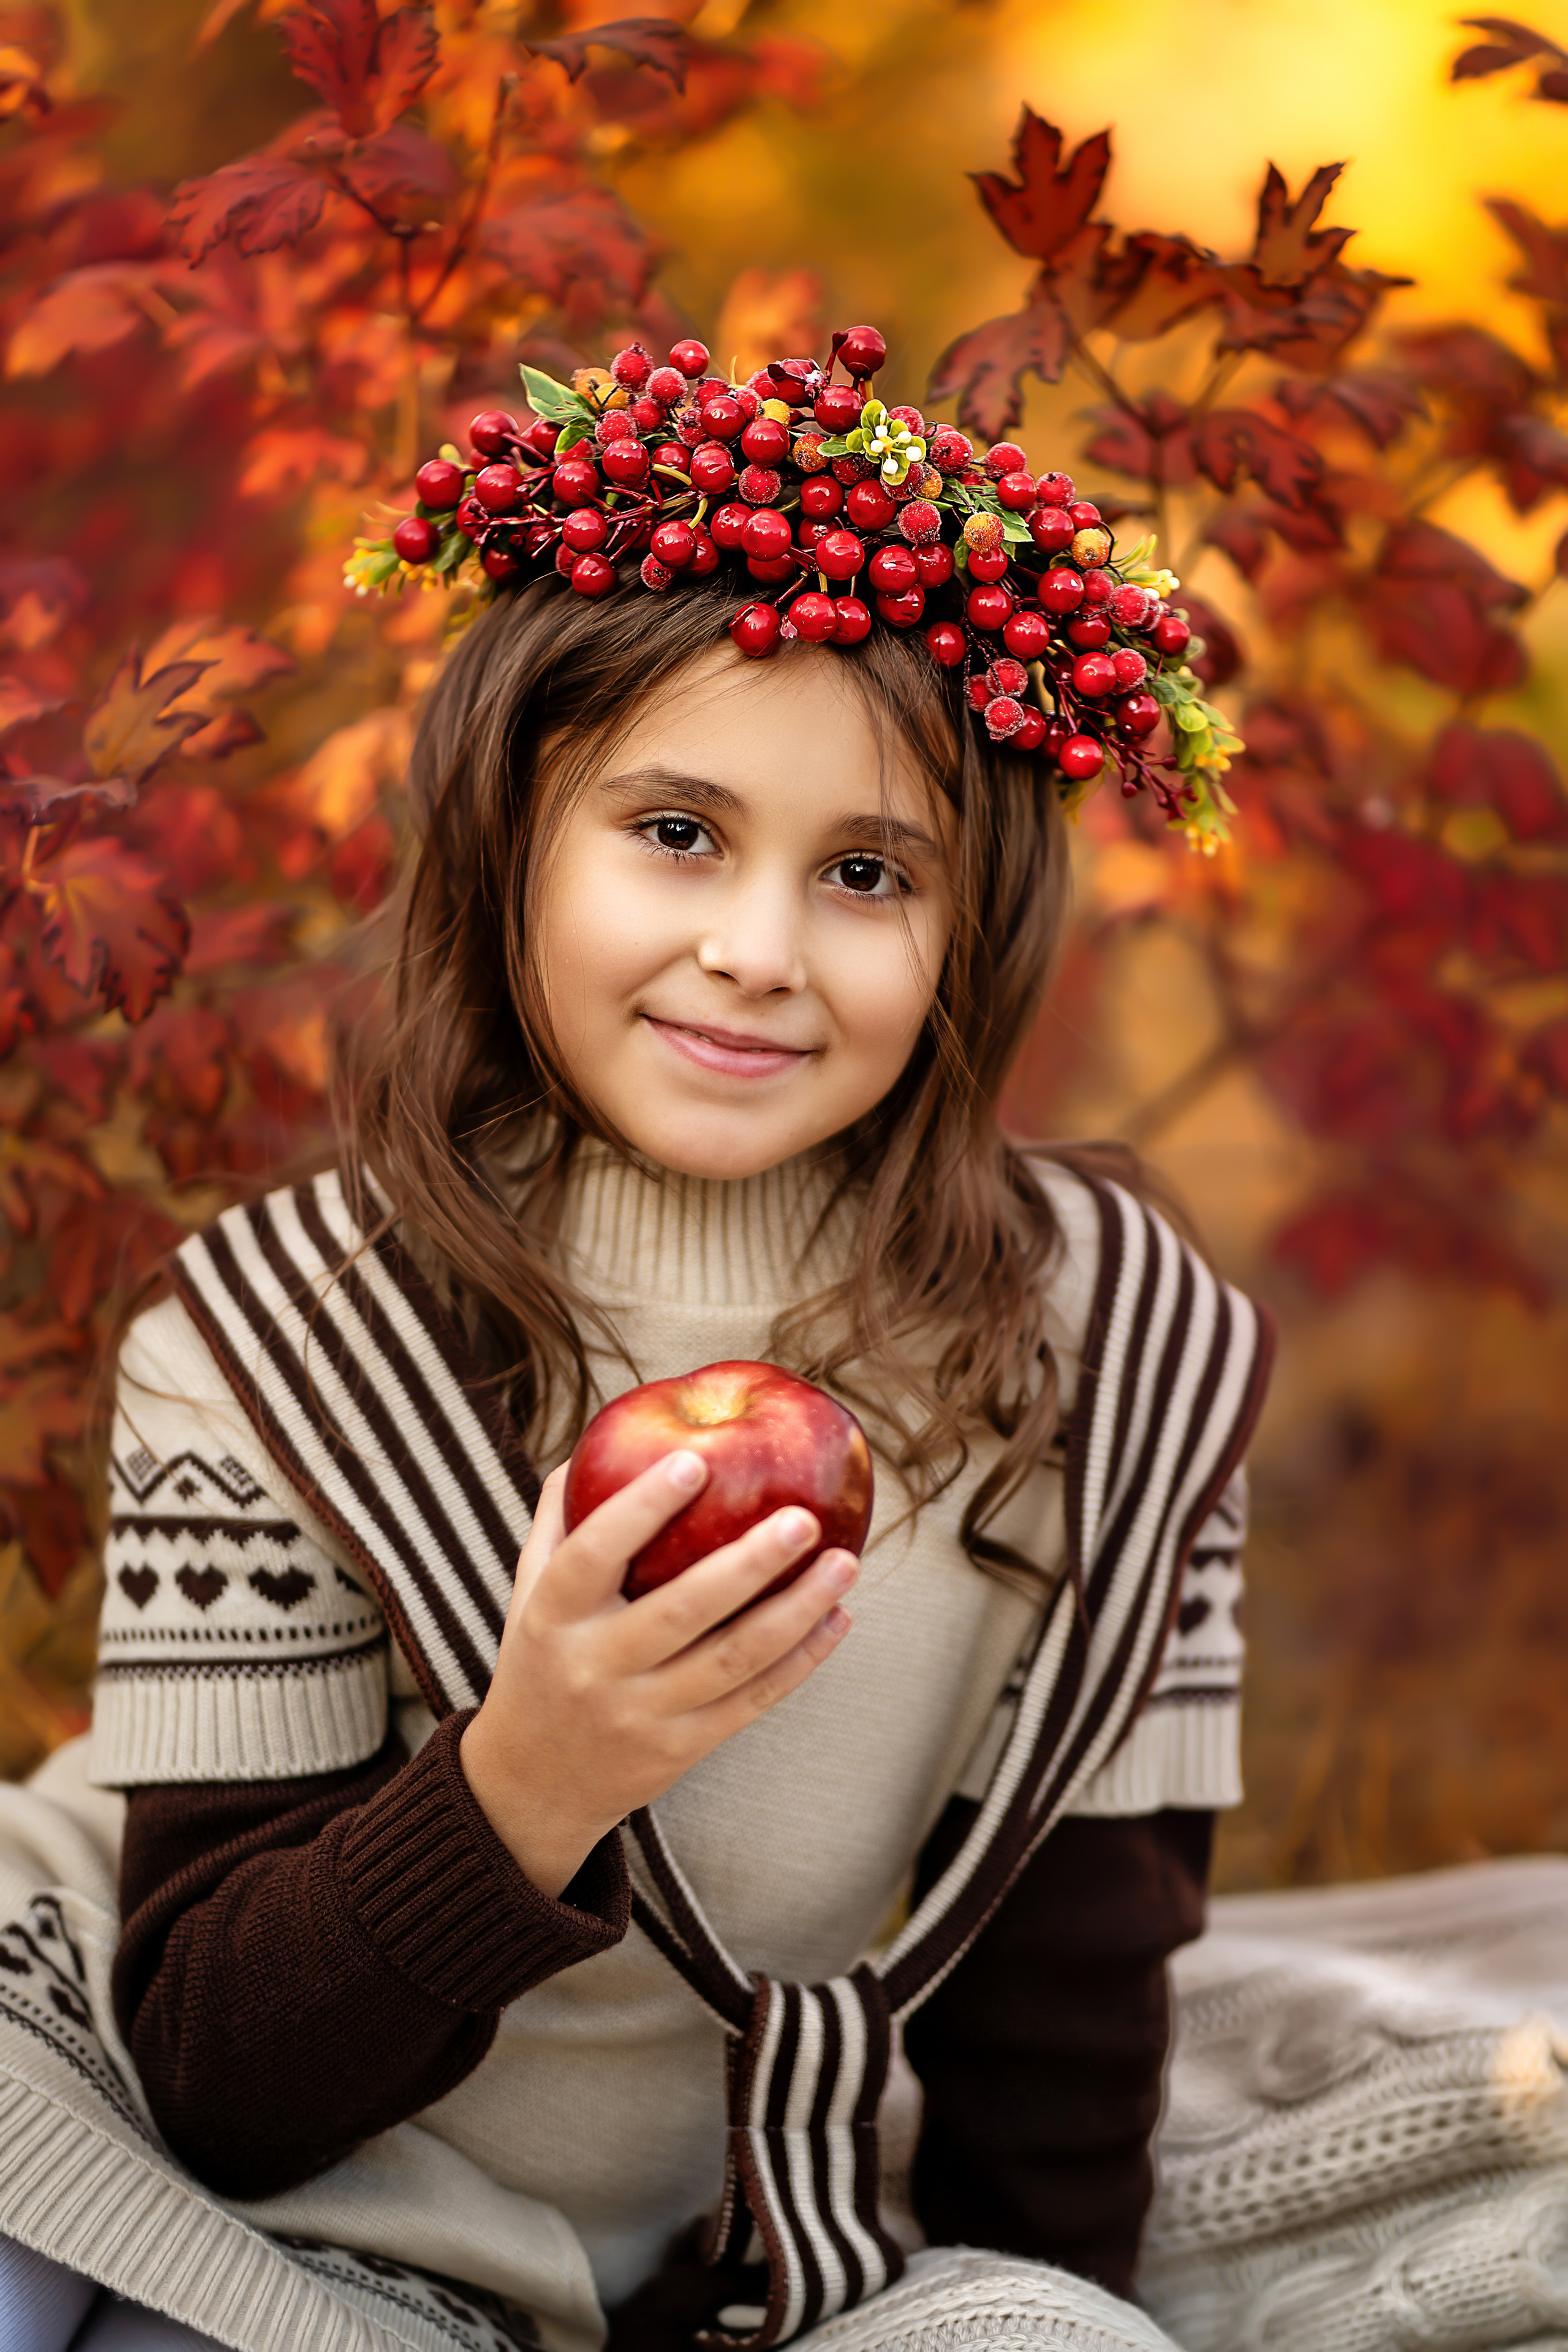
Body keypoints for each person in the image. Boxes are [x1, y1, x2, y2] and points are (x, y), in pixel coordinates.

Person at [0, 328, 1268, 2352]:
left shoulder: (1115, 1361)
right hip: (196, 2119)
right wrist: (531, 1778)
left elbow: (1074, 1981)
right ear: (512, 839)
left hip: (695, 2215)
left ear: (976, 930)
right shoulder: (277, 1341)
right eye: (674, 831)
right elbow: (215, 2089)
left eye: (865, 873)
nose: (757, 951)